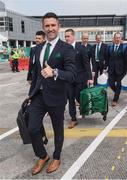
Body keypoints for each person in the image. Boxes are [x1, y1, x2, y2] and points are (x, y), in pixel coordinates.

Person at [28, 12, 76, 175]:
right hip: (38, 96)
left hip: (56, 96)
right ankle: (42, 155)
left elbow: (71, 74)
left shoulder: (67, 48)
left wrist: (55, 72)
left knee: (58, 130)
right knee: (32, 128)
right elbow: (35, 73)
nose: (50, 28)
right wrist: (30, 93)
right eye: (47, 26)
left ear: (58, 26)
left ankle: (56, 157)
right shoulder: (38, 48)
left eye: (53, 25)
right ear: (43, 27)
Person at [65, 29, 93, 129]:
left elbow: (86, 63)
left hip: (80, 78)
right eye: (65, 36)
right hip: (69, 80)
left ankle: (83, 108)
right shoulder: (64, 48)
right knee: (71, 99)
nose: (66, 38)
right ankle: (73, 119)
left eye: (68, 36)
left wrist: (90, 77)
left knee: (78, 97)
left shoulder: (81, 48)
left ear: (73, 36)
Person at [104, 32, 127, 106]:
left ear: (121, 39)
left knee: (119, 85)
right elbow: (107, 58)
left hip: (121, 69)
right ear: (114, 39)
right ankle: (117, 92)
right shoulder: (109, 47)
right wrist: (105, 67)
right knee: (111, 83)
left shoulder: (124, 47)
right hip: (111, 69)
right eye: (116, 37)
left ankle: (115, 99)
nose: (117, 39)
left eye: (119, 37)